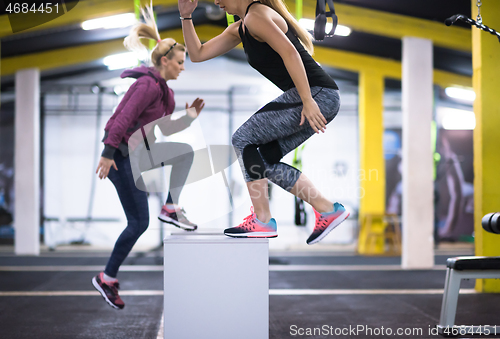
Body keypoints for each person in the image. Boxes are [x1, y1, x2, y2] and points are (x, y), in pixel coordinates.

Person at [178, 0, 349, 244]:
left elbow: (289, 52)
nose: (216, 2)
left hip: (316, 94)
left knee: (242, 139)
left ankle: (263, 219)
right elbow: (197, 53)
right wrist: (186, 17)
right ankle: (328, 209)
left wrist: (308, 100)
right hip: (314, 95)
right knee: (261, 161)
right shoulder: (241, 28)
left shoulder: (256, 15)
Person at [92, 5, 205, 310]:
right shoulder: (146, 84)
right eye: (180, 62)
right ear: (165, 61)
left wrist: (188, 118)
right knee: (139, 222)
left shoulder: (165, 92)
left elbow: (164, 129)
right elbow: (122, 117)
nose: (183, 67)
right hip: (121, 157)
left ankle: (170, 206)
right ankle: (106, 277)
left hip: (140, 153)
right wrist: (107, 153)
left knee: (184, 152)